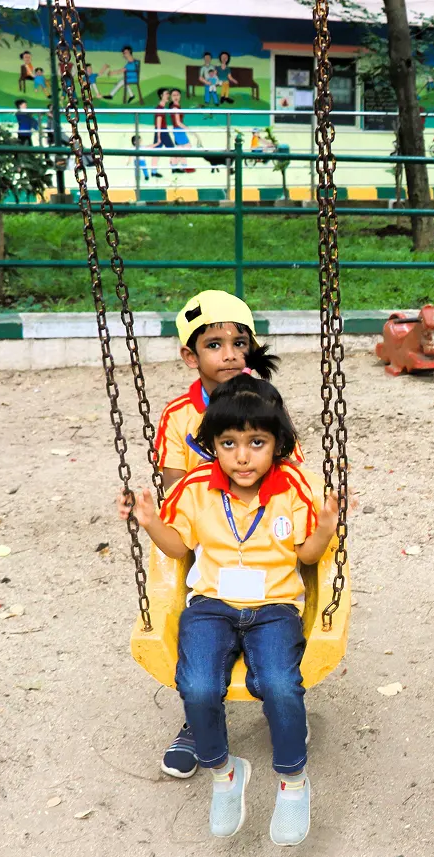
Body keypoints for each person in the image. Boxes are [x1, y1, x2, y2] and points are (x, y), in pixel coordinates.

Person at [119, 375, 339, 845]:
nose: (242, 456)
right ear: (213, 445)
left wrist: (324, 529)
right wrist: (151, 523)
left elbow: (306, 555)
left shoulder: (294, 488)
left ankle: (292, 780)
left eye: (256, 443)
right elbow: (179, 549)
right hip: (211, 606)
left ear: (277, 444)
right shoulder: (196, 487)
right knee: (197, 684)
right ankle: (224, 771)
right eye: (228, 443)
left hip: (274, 606)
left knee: (280, 684)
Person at [153, 290, 302, 779]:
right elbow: (174, 489)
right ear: (190, 356)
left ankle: (281, 707)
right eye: (214, 345)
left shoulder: (263, 404)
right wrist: (212, 493)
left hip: (265, 541)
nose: (231, 354)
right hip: (209, 537)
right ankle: (198, 723)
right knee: (201, 655)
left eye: (240, 343)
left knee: (274, 656)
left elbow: (291, 475)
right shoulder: (180, 415)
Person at [169, 89, 196, 173]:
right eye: (174, 95)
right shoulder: (174, 108)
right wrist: (188, 129)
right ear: (171, 97)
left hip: (179, 129)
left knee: (181, 148)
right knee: (187, 147)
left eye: (177, 95)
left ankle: (182, 166)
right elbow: (178, 122)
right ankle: (174, 164)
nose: (176, 97)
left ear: (180, 96)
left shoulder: (177, 106)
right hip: (178, 130)